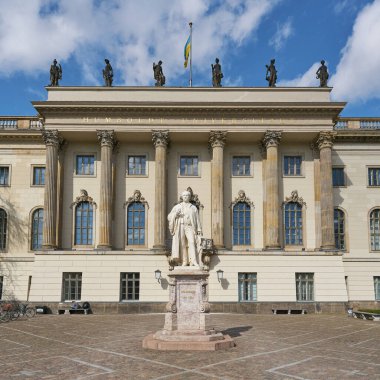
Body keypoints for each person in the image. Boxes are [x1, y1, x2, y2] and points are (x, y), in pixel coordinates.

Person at [168, 190, 203, 267]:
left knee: (192, 242)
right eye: (184, 196)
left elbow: (197, 219)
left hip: (190, 226)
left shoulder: (193, 207)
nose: (185, 197)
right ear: (182, 197)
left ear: (190, 197)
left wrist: (199, 229)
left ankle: (193, 261)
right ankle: (184, 261)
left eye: (187, 196)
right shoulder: (177, 207)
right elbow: (169, 217)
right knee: (182, 244)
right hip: (180, 226)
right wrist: (175, 215)